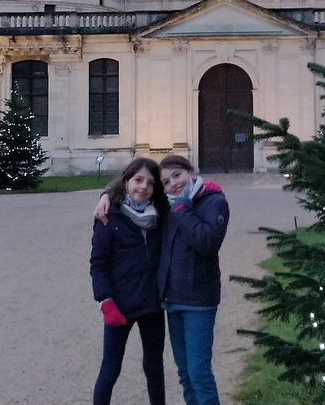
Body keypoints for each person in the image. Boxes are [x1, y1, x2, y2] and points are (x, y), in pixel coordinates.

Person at [95, 155, 229, 405]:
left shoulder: (175, 208)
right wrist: (105, 195)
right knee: (117, 369)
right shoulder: (130, 213)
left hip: (176, 301)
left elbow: (204, 235)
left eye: (176, 176)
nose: (143, 186)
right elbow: (99, 262)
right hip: (144, 301)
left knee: (181, 370)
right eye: (166, 181)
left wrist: (196, 194)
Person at [90, 157, 169, 405]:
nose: (143, 187)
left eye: (150, 183)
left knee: (154, 367)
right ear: (126, 181)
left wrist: (210, 189)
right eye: (137, 180)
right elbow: (98, 263)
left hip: (152, 304)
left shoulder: (160, 215)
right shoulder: (108, 217)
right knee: (110, 368)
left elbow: (182, 188)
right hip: (120, 304)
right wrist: (105, 300)